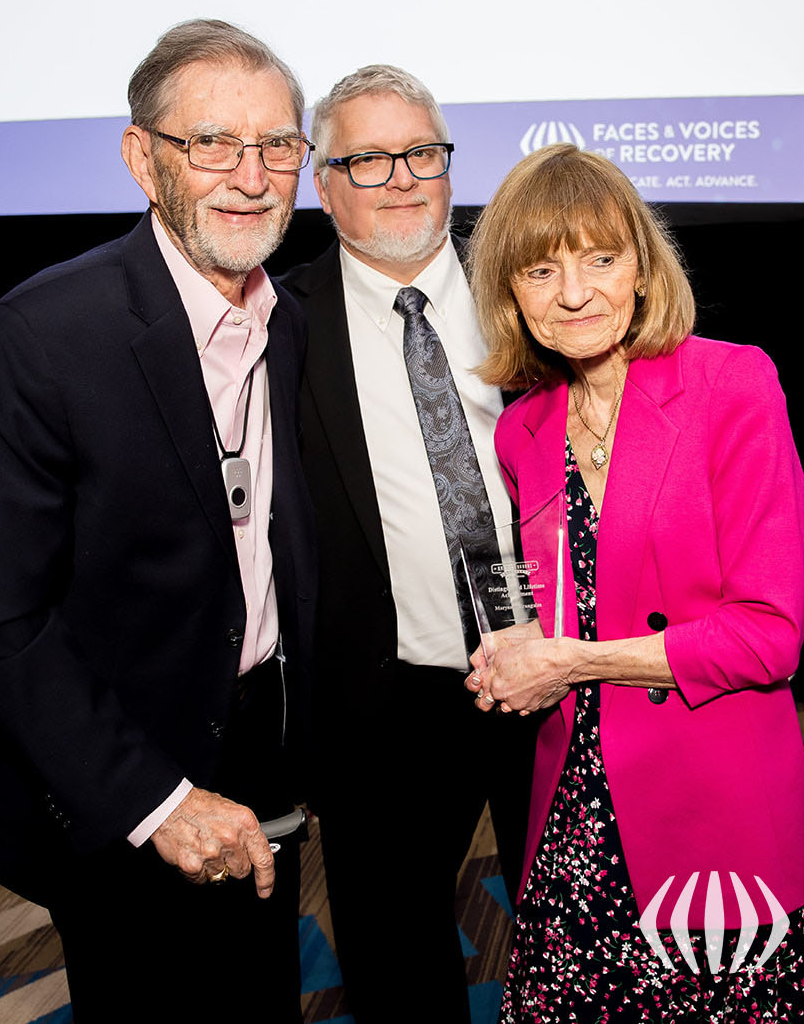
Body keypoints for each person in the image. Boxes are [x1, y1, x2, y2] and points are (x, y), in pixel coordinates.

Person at [0, 19, 316, 1021]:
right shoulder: (40, 337)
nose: (251, 176)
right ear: (142, 159)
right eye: (212, 143)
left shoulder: (292, 324)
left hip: (261, 749)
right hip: (117, 770)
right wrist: (157, 801)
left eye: (277, 144)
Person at [464, 144, 804, 1022]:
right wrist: (516, 647)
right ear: (510, 292)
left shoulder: (731, 384)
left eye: (601, 258)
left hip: (712, 809)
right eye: (541, 270)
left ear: (641, 267)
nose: (575, 293)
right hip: (575, 817)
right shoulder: (524, 429)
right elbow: (562, 595)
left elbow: (769, 635)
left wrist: (571, 660)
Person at [278, 65, 534, 1024]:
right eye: (368, 159)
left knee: (580, 929)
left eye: (421, 152)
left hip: (554, 671)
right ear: (323, 182)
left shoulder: (530, 294)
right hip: (383, 701)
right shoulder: (278, 325)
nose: (401, 178)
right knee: (396, 959)